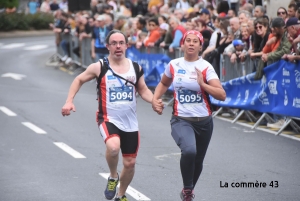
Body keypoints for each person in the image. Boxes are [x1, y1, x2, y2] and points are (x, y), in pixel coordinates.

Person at [61, 30, 153, 201]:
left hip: (130, 122)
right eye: (114, 43)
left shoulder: (135, 67)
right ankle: (112, 176)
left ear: (127, 45)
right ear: (108, 46)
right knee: (113, 148)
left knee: (130, 163)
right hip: (108, 118)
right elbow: (78, 79)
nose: (118, 46)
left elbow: (143, 90)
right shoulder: (99, 67)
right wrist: (69, 101)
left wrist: (154, 101)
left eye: (121, 43)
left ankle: (121, 194)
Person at [152, 30, 226, 201]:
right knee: (189, 151)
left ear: (201, 46)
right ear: (183, 44)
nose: (191, 44)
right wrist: (155, 99)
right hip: (181, 119)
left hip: (205, 122)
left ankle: (188, 192)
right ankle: (187, 189)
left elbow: (221, 95)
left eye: (195, 41)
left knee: (198, 160)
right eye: (188, 41)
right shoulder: (174, 65)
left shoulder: (206, 67)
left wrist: (203, 85)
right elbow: (163, 83)